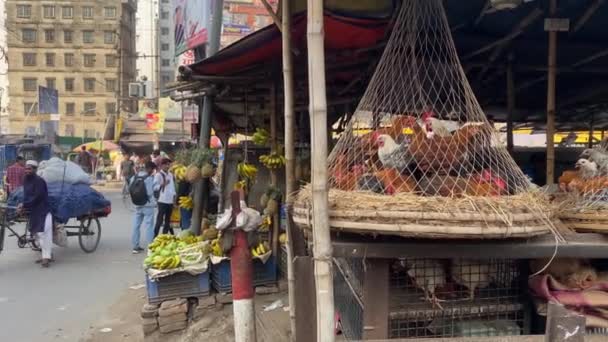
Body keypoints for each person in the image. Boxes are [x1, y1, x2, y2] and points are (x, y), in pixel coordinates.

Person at [18, 161, 53, 267]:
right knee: (35, 233)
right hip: (33, 210)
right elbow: (26, 194)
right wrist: (22, 205)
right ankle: (45, 254)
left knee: (43, 233)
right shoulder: (25, 180)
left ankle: (46, 258)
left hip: (42, 210)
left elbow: (38, 197)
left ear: (35, 170)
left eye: (30, 169)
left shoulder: (39, 181)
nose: (27, 171)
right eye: (26, 169)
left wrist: (25, 204)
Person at [130, 161, 157, 254]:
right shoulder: (149, 178)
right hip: (148, 205)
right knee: (149, 225)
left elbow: (130, 188)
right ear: (149, 168)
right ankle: (150, 247)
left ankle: (135, 246)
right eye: (152, 170)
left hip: (137, 204)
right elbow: (151, 192)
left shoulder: (134, 176)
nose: (153, 171)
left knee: (136, 225)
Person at [154, 158, 176, 236]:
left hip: (170, 200)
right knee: (159, 220)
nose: (167, 166)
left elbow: (173, 187)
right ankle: (155, 236)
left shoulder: (170, 175)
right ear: (161, 165)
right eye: (166, 164)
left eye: (168, 164)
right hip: (162, 200)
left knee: (168, 220)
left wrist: (174, 198)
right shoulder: (158, 175)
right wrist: (163, 184)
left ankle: (164, 236)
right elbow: (155, 187)